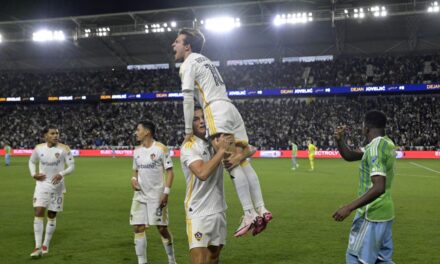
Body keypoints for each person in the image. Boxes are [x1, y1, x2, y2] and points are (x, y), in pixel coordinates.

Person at [172, 28, 272, 237]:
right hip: (230, 107)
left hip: (215, 109)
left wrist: (188, 130)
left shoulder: (188, 63)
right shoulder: (206, 61)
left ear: (187, 46)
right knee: (242, 160)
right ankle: (261, 208)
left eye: (177, 41)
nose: (174, 45)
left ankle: (249, 214)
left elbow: (188, 98)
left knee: (228, 159)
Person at [333, 110, 396, 264]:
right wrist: (340, 140)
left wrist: (349, 207)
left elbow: (379, 186)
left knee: (355, 258)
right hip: (385, 214)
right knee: (382, 260)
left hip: (371, 214)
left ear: (366, 128)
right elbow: (349, 156)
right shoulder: (385, 143)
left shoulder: (375, 147)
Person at [130, 121, 177, 264]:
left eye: (138, 130)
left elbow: (170, 172)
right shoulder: (136, 151)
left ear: (147, 132)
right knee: (138, 227)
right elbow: (136, 170)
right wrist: (133, 179)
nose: (135, 133)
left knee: (162, 228)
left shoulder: (161, 148)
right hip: (139, 195)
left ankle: (171, 259)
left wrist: (166, 192)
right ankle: (142, 261)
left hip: (156, 196)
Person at [28, 126, 75, 258]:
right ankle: (37, 247)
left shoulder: (64, 149)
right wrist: (33, 174)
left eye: (57, 133)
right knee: (38, 212)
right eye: (52, 133)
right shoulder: (38, 148)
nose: (56, 135)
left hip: (57, 186)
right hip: (42, 184)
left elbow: (72, 166)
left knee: (52, 214)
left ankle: (46, 244)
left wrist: (62, 173)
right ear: (45, 136)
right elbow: (31, 161)